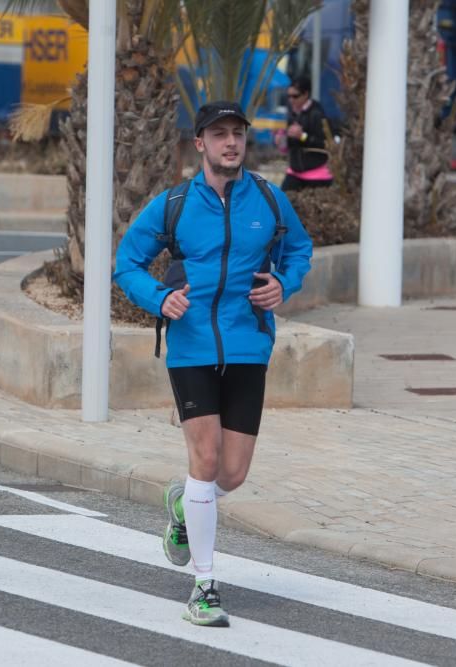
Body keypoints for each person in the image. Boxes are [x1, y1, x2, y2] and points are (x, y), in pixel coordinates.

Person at [113, 101, 313, 627]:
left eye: (238, 134)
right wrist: (159, 300)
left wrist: (283, 284)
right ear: (199, 143)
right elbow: (127, 263)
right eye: (219, 134)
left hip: (249, 346)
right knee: (205, 461)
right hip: (192, 349)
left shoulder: (269, 200)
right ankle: (204, 586)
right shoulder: (175, 204)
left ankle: (184, 507)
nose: (231, 143)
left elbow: (299, 250)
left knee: (233, 473)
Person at [277, 76, 334, 191]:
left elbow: (326, 144)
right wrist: (282, 141)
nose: (291, 100)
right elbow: (291, 145)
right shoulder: (292, 113)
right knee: (281, 203)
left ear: (306, 94)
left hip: (317, 174)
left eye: (295, 96)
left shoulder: (317, 114)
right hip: (295, 172)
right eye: (289, 96)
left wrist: (302, 136)